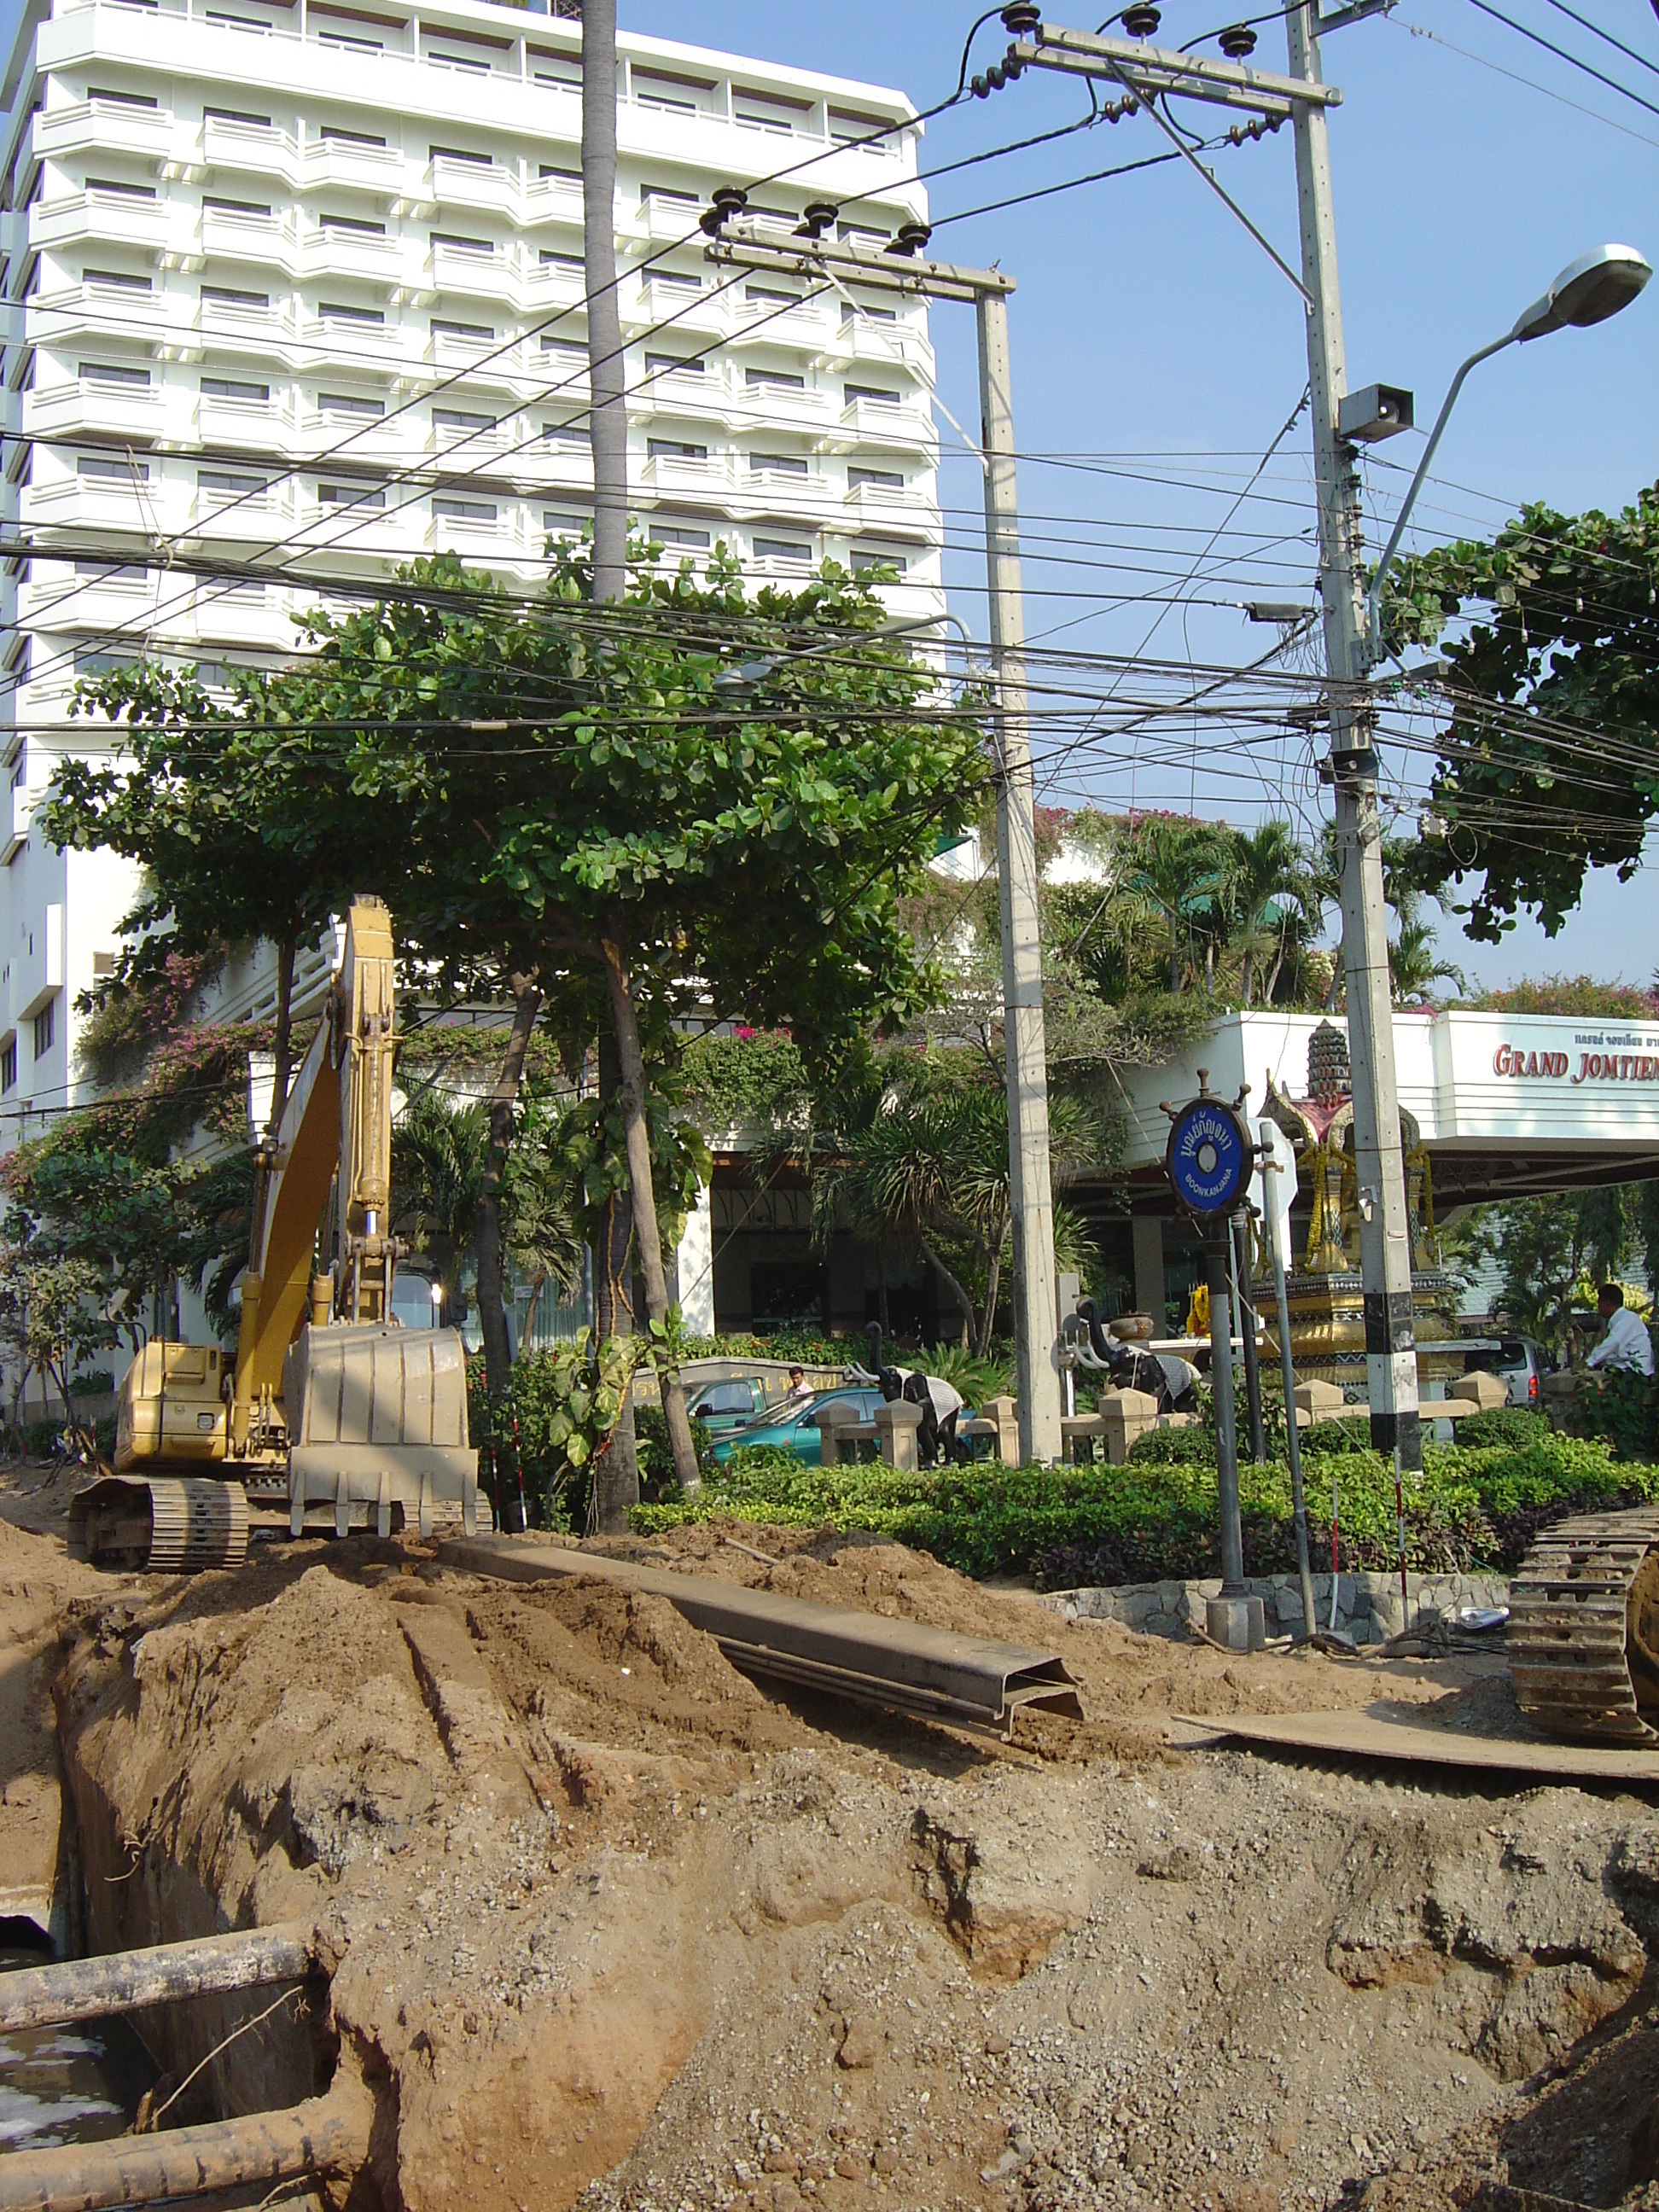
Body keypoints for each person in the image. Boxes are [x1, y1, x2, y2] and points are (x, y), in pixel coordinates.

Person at [1586, 1283, 1654, 1377]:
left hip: (1636, 1374)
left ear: (1607, 1303)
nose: (1598, 1307)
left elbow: (1613, 1341)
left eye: (1599, 1303)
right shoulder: (1621, 1320)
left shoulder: (1628, 1318)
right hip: (1628, 1370)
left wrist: (1589, 1362)